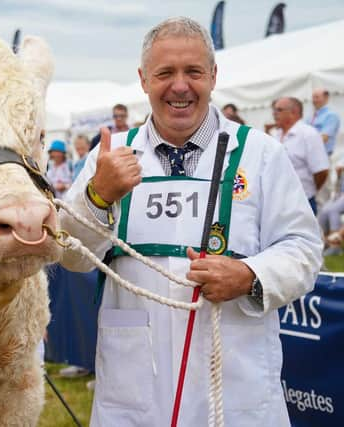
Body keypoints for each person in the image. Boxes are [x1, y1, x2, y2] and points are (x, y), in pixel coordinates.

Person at [60, 17, 322, 426]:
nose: (179, 86)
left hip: (234, 383)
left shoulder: (261, 154)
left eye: (193, 72)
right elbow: (70, 255)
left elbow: (304, 249)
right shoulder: (109, 157)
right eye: (165, 73)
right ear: (143, 79)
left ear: (213, 77)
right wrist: (99, 195)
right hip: (134, 388)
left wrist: (250, 274)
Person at [271, 97, 329, 213]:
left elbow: (321, 171)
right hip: (279, 201)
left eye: (279, 110)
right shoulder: (276, 135)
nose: (274, 113)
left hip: (303, 202)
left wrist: (307, 192)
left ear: (293, 112)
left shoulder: (308, 134)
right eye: (274, 110)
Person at [309, 88, 341, 156]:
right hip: (311, 155)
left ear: (326, 98)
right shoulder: (310, 117)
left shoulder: (331, 116)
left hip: (323, 156)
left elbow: (324, 138)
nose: (314, 100)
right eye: (313, 97)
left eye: (317, 97)